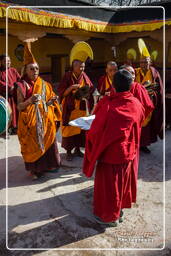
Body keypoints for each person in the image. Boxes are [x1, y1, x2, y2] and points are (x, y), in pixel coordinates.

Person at [83, 70, 152, 226]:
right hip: (129, 153)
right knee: (122, 185)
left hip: (109, 156)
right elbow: (139, 122)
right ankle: (119, 211)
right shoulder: (136, 104)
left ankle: (109, 217)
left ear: (113, 84)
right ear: (130, 85)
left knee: (110, 189)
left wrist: (90, 140)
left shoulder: (107, 105)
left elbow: (95, 131)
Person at [17, 42, 62, 180]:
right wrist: (30, 101)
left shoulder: (44, 84)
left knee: (49, 140)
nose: (35, 71)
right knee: (33, 144)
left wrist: (52, 102)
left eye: (36, 69)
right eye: (31, 69)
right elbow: (19, 106)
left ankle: (49, 166)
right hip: (30, 123)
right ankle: (35, 170)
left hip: (46, 120)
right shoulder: (21, 85)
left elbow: (46, 102)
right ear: (26, 70)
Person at [58, 59, 93, 161]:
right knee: (69, 129)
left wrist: (86, 92)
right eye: (80, 67)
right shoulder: (67, 76)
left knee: (80, 128)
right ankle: (69, 152)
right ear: (73, 67)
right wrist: (72, 87)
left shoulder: (84, 76)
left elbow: (90, 88)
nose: (82, 69)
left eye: (83, 67)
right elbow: (62, 92)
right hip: (70, 107)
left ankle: (77, 149)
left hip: (81, 107)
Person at [135, 56, 163, 153]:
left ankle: (143, 145)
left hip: (149, 103)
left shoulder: (154, 73)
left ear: (150, 62)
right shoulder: (135, 72)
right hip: (137, 103)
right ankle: (135, 145)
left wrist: (153, 93)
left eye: (145, 62)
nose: (143, 65)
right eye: (141, 62)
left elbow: (160, 89)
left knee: (147, 127)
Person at [0, 54, 21, 134]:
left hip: (14, 96)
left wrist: (18, 86)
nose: (8, 62)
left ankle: (14, 127)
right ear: (1, 62)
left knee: (15, 112)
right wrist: (9, 87)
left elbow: (19, 79)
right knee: (6, 114)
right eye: (5, 61)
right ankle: (6, 129)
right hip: (4, 97)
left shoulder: (13, 70)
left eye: (9, 61)